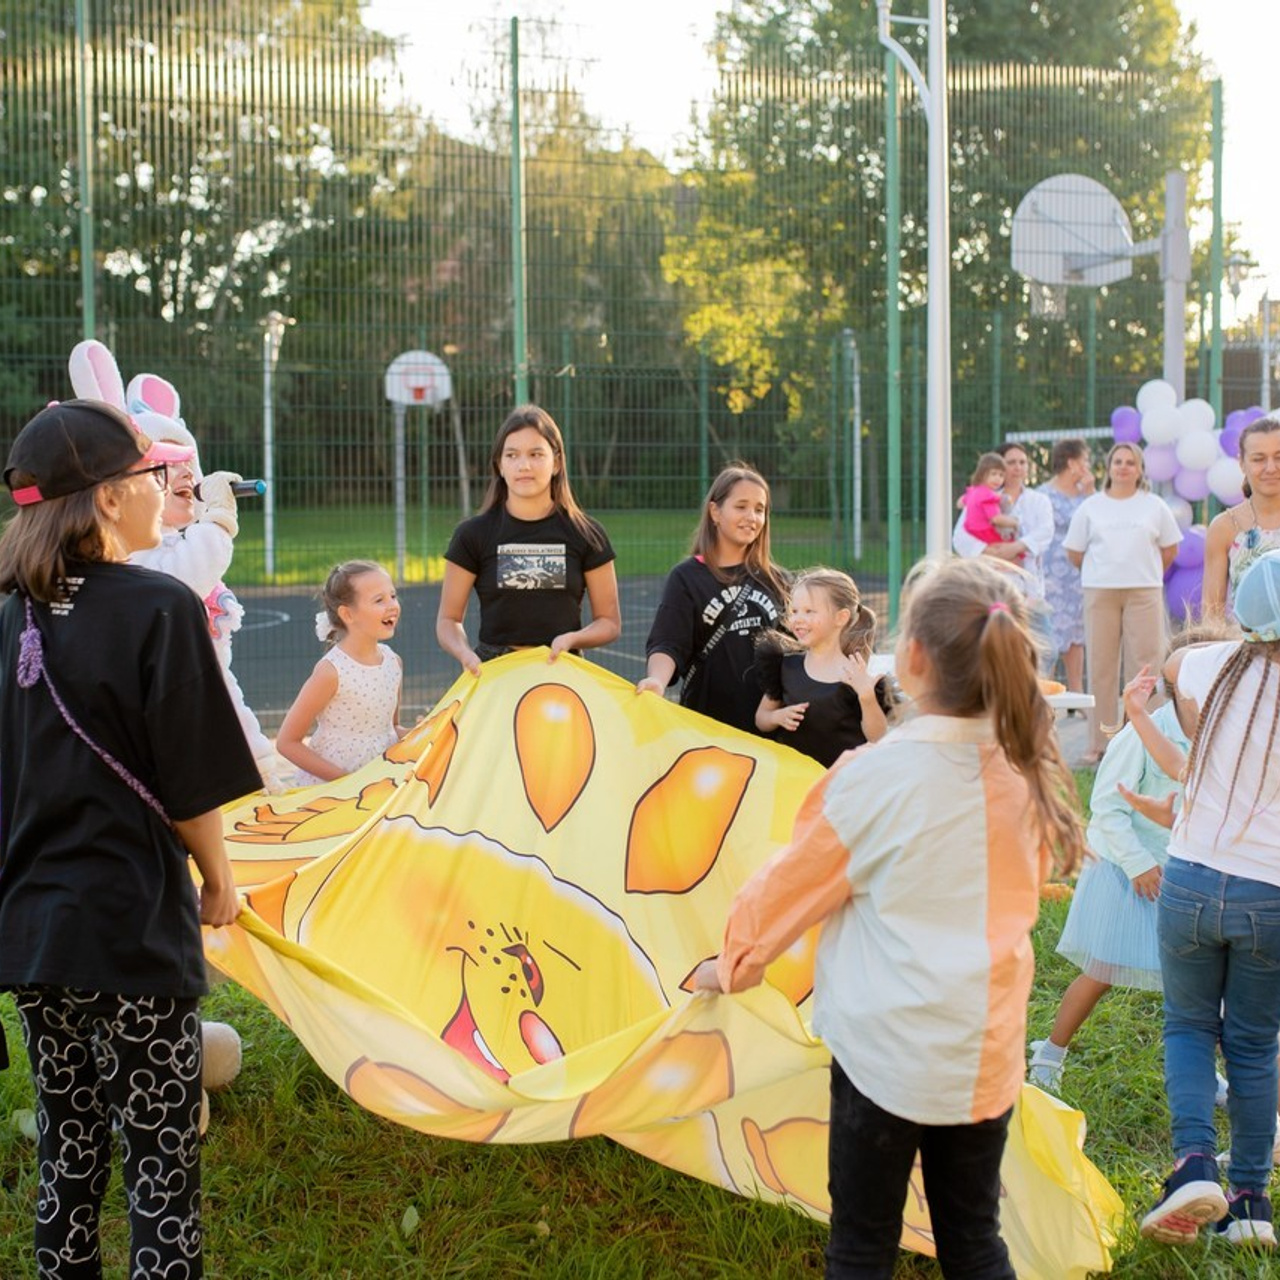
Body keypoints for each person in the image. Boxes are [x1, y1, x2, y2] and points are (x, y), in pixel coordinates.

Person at [694, 556, 1086, 1278]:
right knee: (974, 1239)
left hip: (882, 1058)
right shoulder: (1023, 771)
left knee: (861, 1246)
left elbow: (788, 888)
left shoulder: (872, 780)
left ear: (908, 659)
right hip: (983, 1054)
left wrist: (733, 964)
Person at [0, 399, 262, 1277]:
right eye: (154, 475)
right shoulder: (159, 605)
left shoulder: (9, 617)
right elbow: (190, 779)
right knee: (160, 1163)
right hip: (133, 928)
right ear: (109, 498)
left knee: (68, 1155)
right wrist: (218, 875)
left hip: (35, 932)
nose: (167, 488)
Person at [1138, 548, 1280, 1250]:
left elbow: (1170, 666)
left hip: (1192, 877)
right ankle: (1251, 1201)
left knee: (1190, 1026)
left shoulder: (1210, 665)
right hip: (1272, 893)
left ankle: (1193, 1162)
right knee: (1255, 1047)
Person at [1029, 628, 1214, 1092]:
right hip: (1125, 871)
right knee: (1101, 972)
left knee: (1197, 989)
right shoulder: (1143, 734)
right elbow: (1108, 808)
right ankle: (1051, 1052)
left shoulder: (1220, 735)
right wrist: (1137, 864)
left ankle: (1202, 1075)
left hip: (1182, 874)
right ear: (1181, 688)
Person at [436, 404, 620, 675]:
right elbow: (448, 620)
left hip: (562, 671)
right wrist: (464, 653)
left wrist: (572, 639)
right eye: (512, 455)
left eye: (536, 454)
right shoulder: (472, 535)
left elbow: (609, 622)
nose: (524, 465)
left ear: (556, 463)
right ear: (499, 465)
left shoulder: (587, 533)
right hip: (494, 673)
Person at [638, 463, 789, 733]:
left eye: (759, 509)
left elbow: (800, 648)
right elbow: (668, 643)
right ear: (715, 512)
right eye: (741, 506)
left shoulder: (778, 581)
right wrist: (657, 681)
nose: (751, 517)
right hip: (706, 727)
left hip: (768, 731)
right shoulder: (687, 577)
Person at [1063, 442, 1182, 764]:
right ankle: (1100, 743)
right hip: (1100, 592)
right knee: (1101, 667)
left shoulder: (1154, 505)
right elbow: (1074, 553)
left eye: (1131, 462)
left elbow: (1169, 549)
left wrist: (1144, 570)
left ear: (1140, 469)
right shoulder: (1091, 507)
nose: (1124, 467)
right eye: (1118, 461)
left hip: (1143, 592)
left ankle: (1146, 741)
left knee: (1145, 666)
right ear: (1109, 467)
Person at [277, 560, 407, 784]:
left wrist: (427, 732)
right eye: (379, 600)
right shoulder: (331, 672)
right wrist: (347, 782)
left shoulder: (394, 663)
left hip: (375, 787)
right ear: (347, 614)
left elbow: (390, 728)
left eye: (393, 596)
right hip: (332, 794)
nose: (392, 605)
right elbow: (287, 742)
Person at [754, 568, 891, 767]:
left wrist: (866, 696)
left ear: (841, 618)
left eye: (809, 611)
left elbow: (878, 737)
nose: (798, 618)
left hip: (841, 786)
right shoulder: (784, 666)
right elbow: (761, 719)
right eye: (794, 611)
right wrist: (777, 717)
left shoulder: (856, 676)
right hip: (794, 783)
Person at [953, 440, 1056, 673]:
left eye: (1022, 462)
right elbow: (960, 537)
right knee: (995, 650)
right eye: (1011, 463)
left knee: (1046, 649)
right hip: (993, 586)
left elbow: (1045, 531)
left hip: (1028, 588)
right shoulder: (980, 497)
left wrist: (1017, 547)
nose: (1018, 467)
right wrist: (993, 553)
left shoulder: (1038, 500)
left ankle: (1035, 698)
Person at [1202, 412, 1280, 619]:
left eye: (1279, 457)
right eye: (1258, 459)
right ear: (1242, 463)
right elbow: (1212, 612)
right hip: (1247, 648)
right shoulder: (1225, 527)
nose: (1271, 468)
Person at [1038, 437, 1095, 693]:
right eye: (1084, 460)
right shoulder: (1043, 495)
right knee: (1050, 632)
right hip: (1051, 573)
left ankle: (1075, 693)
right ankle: (1049, 693)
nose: (1087, 465)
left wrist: (1091, 493)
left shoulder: (1088, 496)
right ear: (1072, 462)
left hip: (1078, 572)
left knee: (1076, 634)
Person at [958, 451, 1020, 547]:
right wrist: (1014, 522)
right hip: (984, 532)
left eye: (1001, 475)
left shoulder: (973, 491)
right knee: (1014, 551)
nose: (997, 479)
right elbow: (996, 519)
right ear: (982, 474)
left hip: (970, 530)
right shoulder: (988, 496)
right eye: (993, 474)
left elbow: (959, 503)